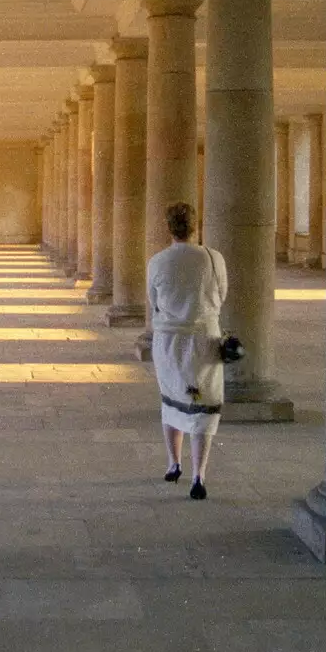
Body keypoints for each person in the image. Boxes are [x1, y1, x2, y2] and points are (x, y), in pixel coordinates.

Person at [146, 202, 228, 500]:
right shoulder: (213, 258)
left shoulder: (158, 261)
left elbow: (153, 301)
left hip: (169, 341)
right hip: (204, 339)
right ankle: (199, 475)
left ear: (169, 228)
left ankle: (173, 463)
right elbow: (222, 294)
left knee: (172, 399)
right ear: (197, 225)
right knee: (203, 404)